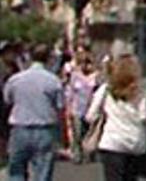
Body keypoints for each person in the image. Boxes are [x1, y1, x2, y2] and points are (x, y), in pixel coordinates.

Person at [86, 55, 146, 181]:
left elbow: (91, 116)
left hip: (112, 143)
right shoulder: (141, 93)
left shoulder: (106, 90)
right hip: (135, 144)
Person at [3, 43, 62, 181]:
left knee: (16, 170)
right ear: (49, 59)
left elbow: (7, 100)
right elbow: (59, 107)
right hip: (44, 129)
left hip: (19, 128)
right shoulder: (53, 81)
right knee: (43, 172)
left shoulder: (15, 79)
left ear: (29, 57)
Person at [64, 53, 98, 164]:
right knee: (77, 133)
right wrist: (68, 108)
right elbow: (70, 93)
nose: (84, 66)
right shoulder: (75, 76)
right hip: (77, 109)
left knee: (88, 133)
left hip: (91, 109)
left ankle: (88, 154)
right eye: (82, 63)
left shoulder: (95, 77)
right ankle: (77, 155)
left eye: (86, 63)